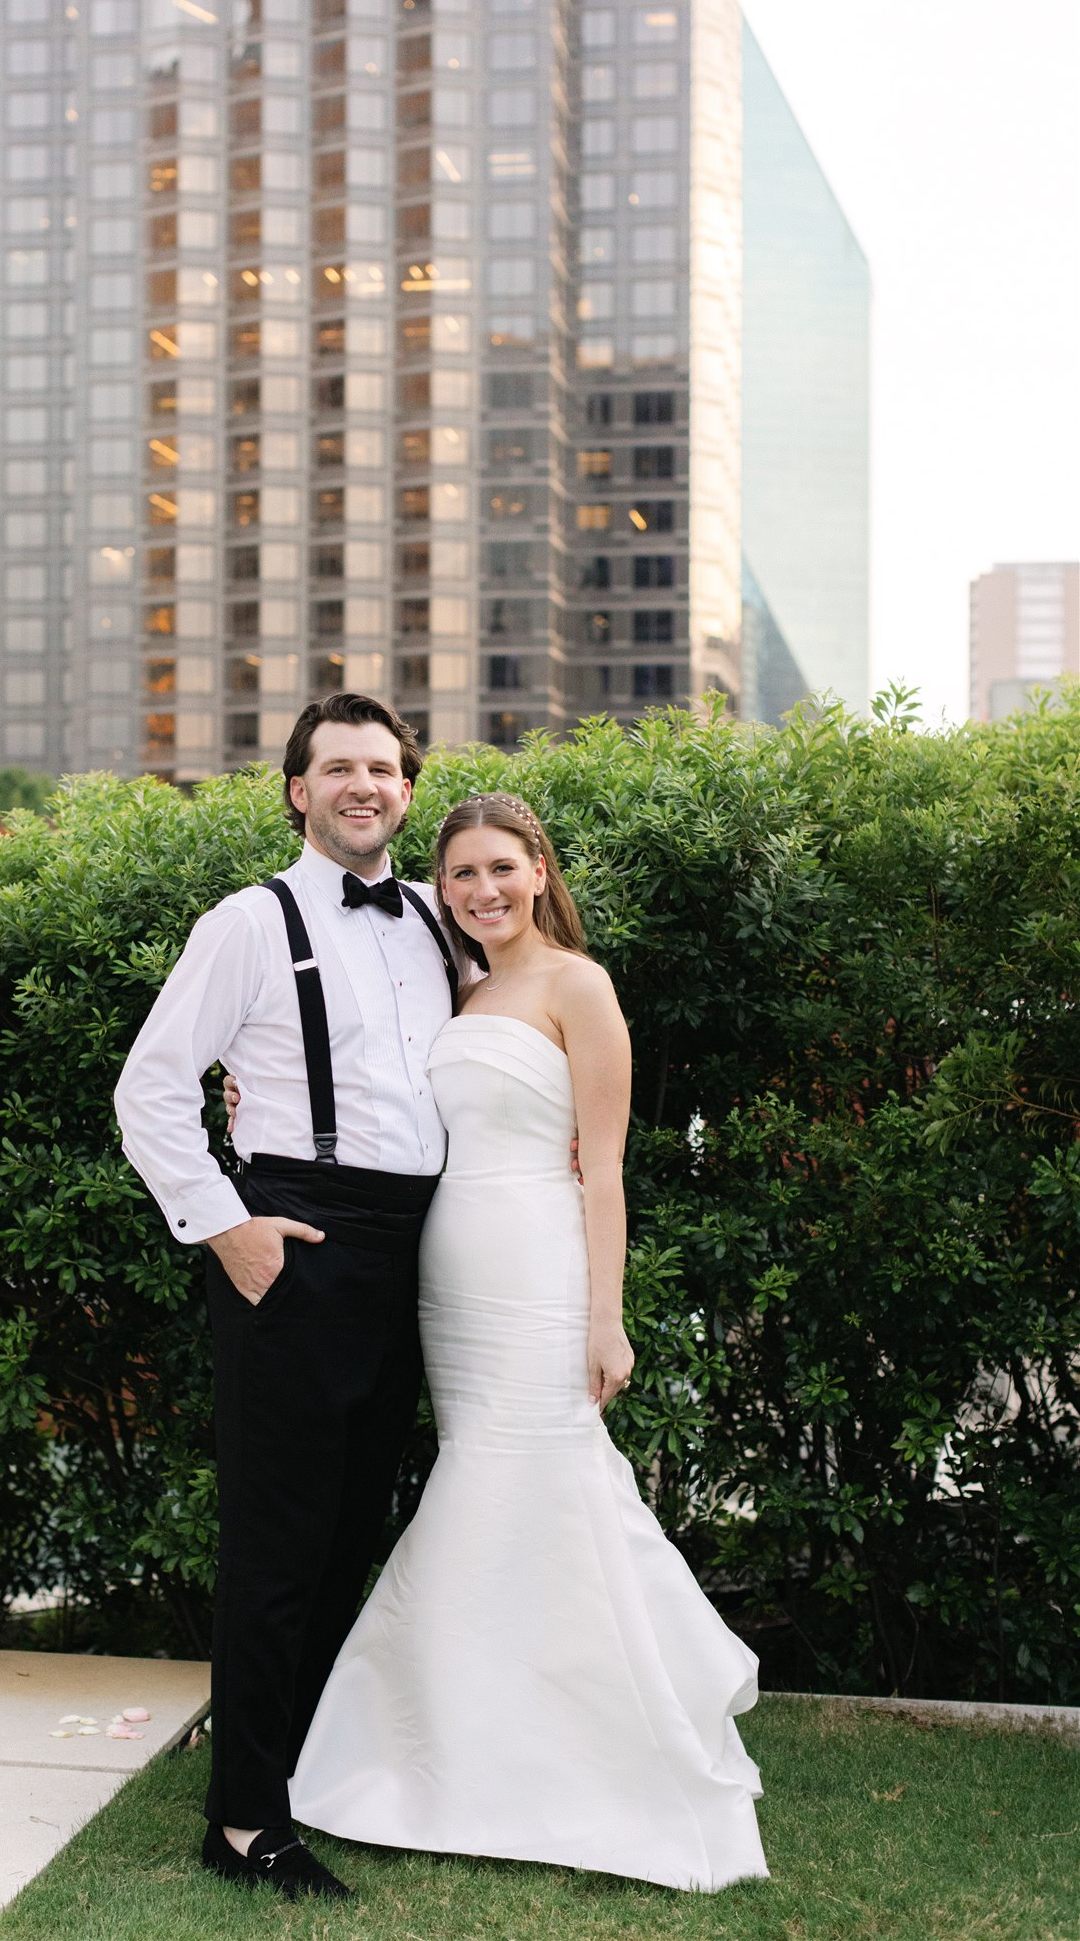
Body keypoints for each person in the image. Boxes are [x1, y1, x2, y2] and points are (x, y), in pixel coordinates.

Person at [287, 791, 769, 1893]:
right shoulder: (463, 986)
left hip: (540, 1267)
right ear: (442, 887)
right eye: (460, 874)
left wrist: (607, 1314)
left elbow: (601, 1166)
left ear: (540, 869)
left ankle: (583, 1752)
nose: (481, 889)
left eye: (501, 867)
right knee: (483, 1479)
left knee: (533, 1480)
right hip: (451, 1265)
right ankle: (466, 1741)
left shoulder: (577, 986)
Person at [113, 693, 461, 1902]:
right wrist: (228, 1228)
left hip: (418, 1248)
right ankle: (244, 1822)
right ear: (297, 791)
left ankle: (293, 1757)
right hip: (296, 1243)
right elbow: (150, 1085)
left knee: (356, 1524)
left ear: (408, 790)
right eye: (338, 767)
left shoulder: (433, 919)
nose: (364, 784)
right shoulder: (247, 922)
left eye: (384, 767)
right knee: (279, 1539)